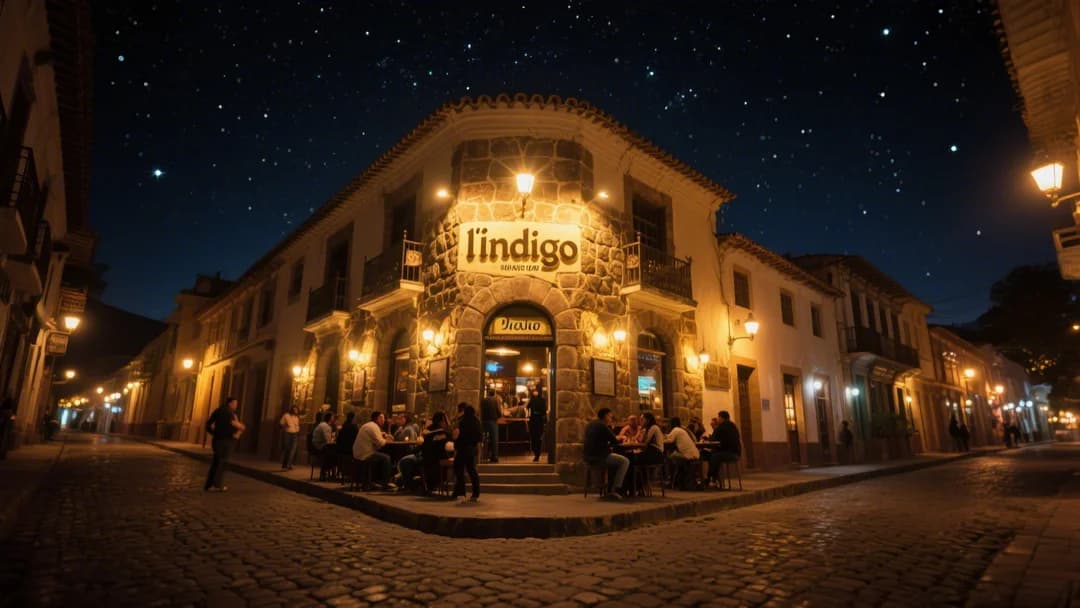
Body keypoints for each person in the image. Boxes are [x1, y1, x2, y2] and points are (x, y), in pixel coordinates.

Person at [583, 408, 629, 499]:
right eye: (610, 416)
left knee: (616, 461)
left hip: (588, 456)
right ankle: (615, 489)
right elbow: (614, 440)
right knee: (625, 461)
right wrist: (621, 437)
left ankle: (610, 489)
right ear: (605, 416)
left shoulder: (591, 424)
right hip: (599, 457)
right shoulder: (602, 425)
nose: (611, 418)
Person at [204, 397, 244, 491]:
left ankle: (209, 485)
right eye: (235, 403)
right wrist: (240, 430)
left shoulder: (218, 411)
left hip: (217, 440)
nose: (236, 405)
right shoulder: (230, 413)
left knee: (216, 462)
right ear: (231, 403)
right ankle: (217, 485)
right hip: (227, 441)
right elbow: (237, 425)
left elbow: (208, 425)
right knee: (222, 463)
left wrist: (214, 433)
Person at [353, 411, 396, 490]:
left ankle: (375, 480)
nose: (384, 421)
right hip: (365, 454)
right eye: (383, 418)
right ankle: (385, 483)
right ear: (378, 419)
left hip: (358, 453)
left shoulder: (369, 425)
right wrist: (387, 440)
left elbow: (376, 438)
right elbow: (380, 443)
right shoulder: (373, 427)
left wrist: (382, 435)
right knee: (386, 458)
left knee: (382, 456)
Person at [452, 403, 482, 503]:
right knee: (472, 470)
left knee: (458, 469)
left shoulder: (462, 421)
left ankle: (461, 492)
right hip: (472, 449)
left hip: (463, 448)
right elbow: (479, 437)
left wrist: (456, 444)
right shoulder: (477, 421)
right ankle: (475, 493)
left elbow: (457, 436)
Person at [420, 412, 451, 495]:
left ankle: (429, 487)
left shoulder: (427, 430)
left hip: (426, 458)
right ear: (442, 421)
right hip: (437, 459)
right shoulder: (442, 431)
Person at [666, 417, 700, 490]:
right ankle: (678, 482)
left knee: (670, 457)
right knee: (674, 458)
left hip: (688, 456)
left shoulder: (675, 430)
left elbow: (669, 440)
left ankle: (672, 480)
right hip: (694, 454)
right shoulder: (682, 430)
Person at [707, 411, 741, 483]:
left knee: (714, 456)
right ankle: (715, 478)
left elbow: (713, 439)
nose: (718, 419)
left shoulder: (722, 426)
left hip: (730, 453)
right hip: (736, 453)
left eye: (718, 417)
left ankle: (710, 478)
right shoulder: (733, 425)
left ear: (722, 418)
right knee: (714, 455)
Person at [480, 389, 501, 463]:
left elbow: (481, 410)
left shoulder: (483, 400)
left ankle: (483, 455)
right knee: (494, 439)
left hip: (484, 421)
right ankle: (494, 456)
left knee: (485, 438)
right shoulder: (496, 400)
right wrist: (499, 416)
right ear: (494, 393)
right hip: (493, 421)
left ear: (488, 393)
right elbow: (499, 410)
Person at [279, 405, 301, 470]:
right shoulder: (286, 415)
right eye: (294, 409)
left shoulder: (297, 418)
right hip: (287, 433)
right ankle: (285, 464)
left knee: (293, 450)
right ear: (292, 410)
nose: (296, 411)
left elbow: (297, 426)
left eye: (297, 410)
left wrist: (298, 430)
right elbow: (281, 423)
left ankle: (289, 465)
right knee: (287, 449)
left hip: (295, 434)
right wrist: (285, 425)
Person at [527, 388, 546, 462]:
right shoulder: (532, 400)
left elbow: (544, 411)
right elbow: (527, 407)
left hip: (538, 421)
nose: (535, 392)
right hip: (533, 421)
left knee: (538, 438)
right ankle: (536, 452)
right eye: (534, 391)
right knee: (534, 438)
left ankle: (537, 454)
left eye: (536, 391)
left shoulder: (541, 400)